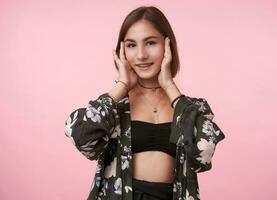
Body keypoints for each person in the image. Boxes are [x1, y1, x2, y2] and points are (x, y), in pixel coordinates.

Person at [64, 6, 225, 200]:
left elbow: (203, 154)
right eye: (131, 45)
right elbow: (81, 136)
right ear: (122, 50)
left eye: (150, 43)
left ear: (168, 46)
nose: (141, 55)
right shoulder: (115, 108)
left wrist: (169, 86)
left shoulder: (190, 109)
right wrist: (122, 85)